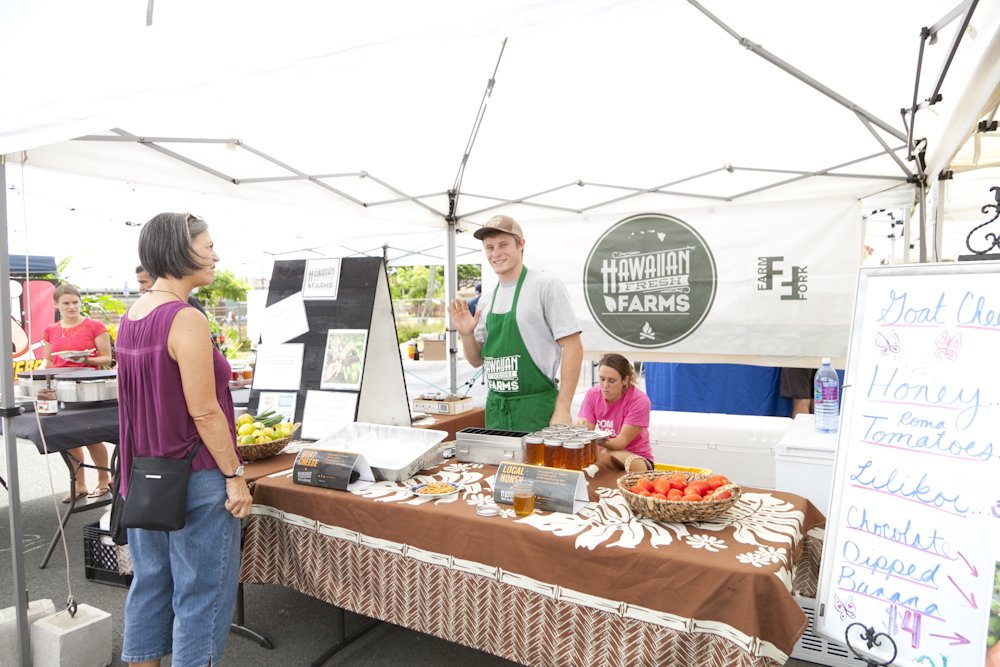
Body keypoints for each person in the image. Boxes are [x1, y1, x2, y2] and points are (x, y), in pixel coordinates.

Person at [117, 213, 251, 667]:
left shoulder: (132, 315)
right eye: (208, 245)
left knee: (151, 584)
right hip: (194, 473)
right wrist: (234, 475)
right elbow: (205, 410)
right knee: (202, 595)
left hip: (145, 476)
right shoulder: (185, 318)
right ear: (179, 249)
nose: (216, 255)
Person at [448, 214, 583, 431]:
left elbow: (573, 347)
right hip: (497, 410)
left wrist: (563, 408)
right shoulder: (488, 298)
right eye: (489, 247)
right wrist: (466, 334)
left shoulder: (545, 286)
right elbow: (476, 361)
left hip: (537, 410)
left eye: (503, 245)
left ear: (521, 244)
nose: (496, 253)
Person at [41, 284, 114, 501]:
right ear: (56, 305)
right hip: (60, 390)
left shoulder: (94, 326)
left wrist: (85, 359)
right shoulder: (50, 330)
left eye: (75, 302)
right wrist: (44, 372)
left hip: (87, 388)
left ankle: (104, 480)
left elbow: (106, 359)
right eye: (66, 303)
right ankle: (79, 485)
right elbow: (48, 359)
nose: (72, 306)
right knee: (69, 439)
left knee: (92, 436)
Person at [574, 353, 653, 472]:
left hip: (639, 461)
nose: (605, 386)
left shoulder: (639, 400)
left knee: (606, 454)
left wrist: (596, 440)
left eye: (611, 381)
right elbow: (587, 434)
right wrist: (581, 427)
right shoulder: (592, 394)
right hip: (604, 454)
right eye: (601, 379)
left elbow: (620, 443)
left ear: (625, 380)